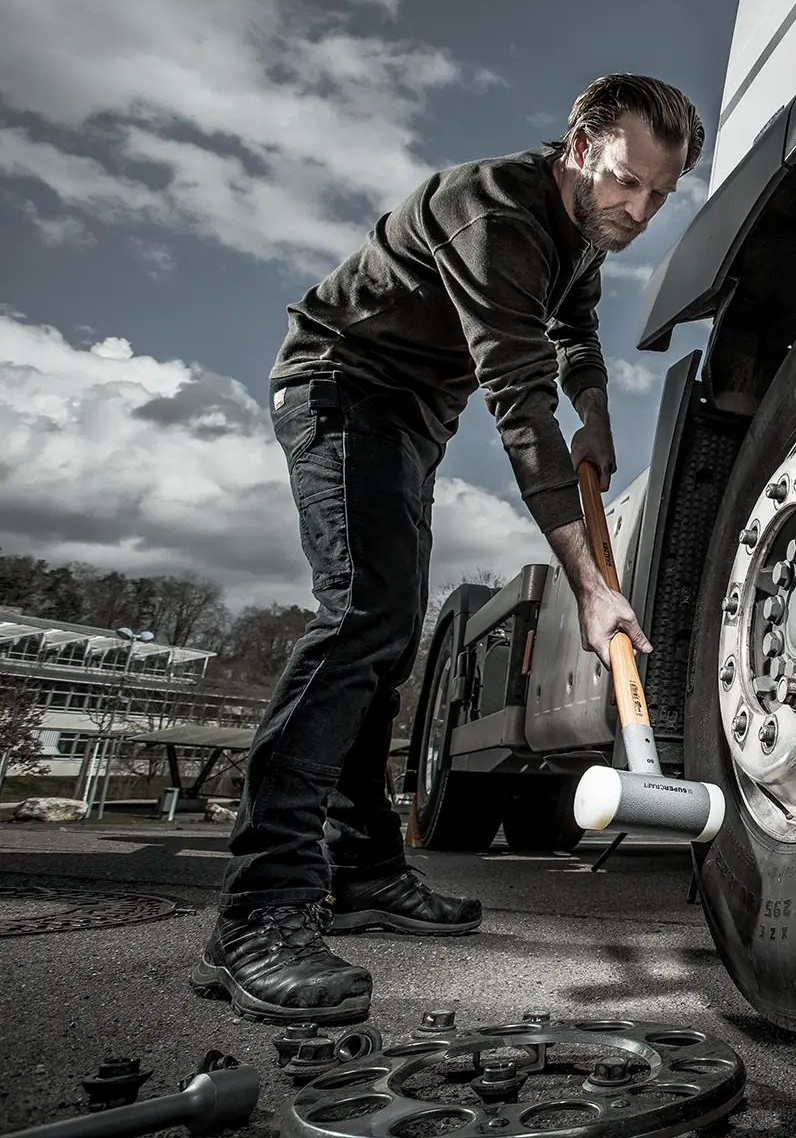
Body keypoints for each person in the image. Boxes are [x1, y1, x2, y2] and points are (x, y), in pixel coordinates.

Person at [192, 75, 700, 1024]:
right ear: (579, 143)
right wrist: (591, 585)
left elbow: (575, 326)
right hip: (342, 385)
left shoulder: (579, 230)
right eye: (628, 182)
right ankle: (260, 908)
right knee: (361, 622)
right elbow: (517, 401)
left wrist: (596, 412)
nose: (638, 210)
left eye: (661, 195)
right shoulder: (493, 212)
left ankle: (364, 871)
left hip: (411, 415)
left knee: (384, 646)